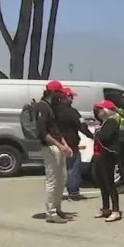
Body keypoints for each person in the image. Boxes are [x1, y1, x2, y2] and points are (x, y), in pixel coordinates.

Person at [36, 80, 74, 223]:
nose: (62, 96)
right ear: (53, 93)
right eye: (60, 93)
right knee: (52, 180)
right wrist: (59, 145)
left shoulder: (50, 107)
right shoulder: (42, 107)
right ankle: (51, 213)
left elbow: (55, 129)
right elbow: (43, 132)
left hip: (57, 146)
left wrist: (65, 144)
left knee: (62, 178)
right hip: (49, 147)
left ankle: (58, 209)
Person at [54, 87, 93, 200]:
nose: (72, 99)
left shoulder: (53, 111)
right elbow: (81, 126)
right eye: (70, 97)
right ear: (65, 97)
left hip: (57, 144)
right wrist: (92, 136)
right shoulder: (72, 112)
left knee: (59, 170)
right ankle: (74, 193)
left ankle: (56, 193)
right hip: (71, 145)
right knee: (73, 169)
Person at [92, 99, 123, 222]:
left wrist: (98, 132)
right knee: (102, 183)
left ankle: (115, 210)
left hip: (108, 156)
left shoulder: (112, 122)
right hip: (99, 155)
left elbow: (105, 137)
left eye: (100, 109)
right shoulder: (103, 123)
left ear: (106, 110)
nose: (98, 112)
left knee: (109, 183)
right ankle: (105, 208)